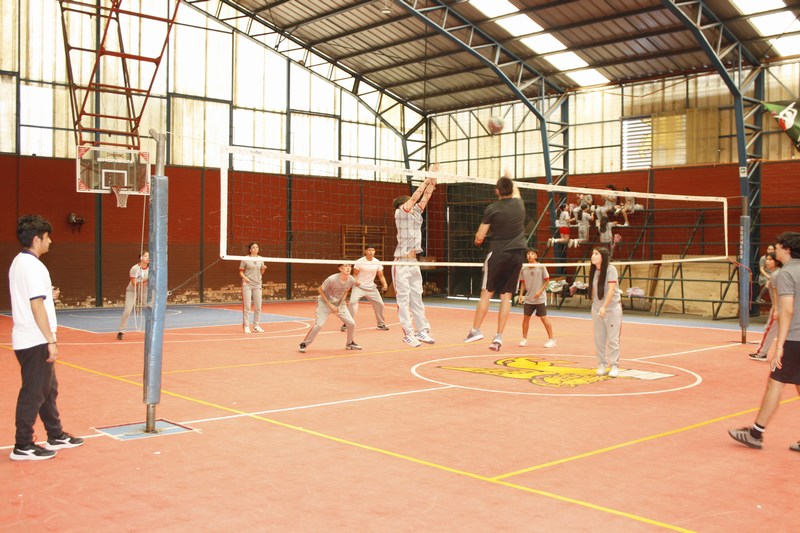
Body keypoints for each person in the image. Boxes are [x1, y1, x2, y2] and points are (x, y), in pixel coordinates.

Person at [9, 215, 84, 461]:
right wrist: (50, 339)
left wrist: (47, 295)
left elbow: (33, 297)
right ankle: (23, 445)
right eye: (47, 237)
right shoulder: (32, 266)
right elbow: (35, 305)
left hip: (30, 337)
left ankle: (55, 434)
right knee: (33, 392)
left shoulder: (20, 263)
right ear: (36, 238)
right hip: (34, 339)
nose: (50, 241)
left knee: (47, 390)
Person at [729, 232, 800, 451]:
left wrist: (779, 345)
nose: (774, 250)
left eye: (777, 247)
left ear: (787, 249)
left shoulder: (785, 273)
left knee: (775, 382)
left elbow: (787, 310)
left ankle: (755, 434)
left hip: (795, 337)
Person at [464, 170, 527, 351]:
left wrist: (478, 239)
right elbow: (515, 190)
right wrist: (509, 177)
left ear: (497, 191)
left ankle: (475, 330)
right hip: (517, 255)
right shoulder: (520, 203)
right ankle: (498, 337)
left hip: (498, 253)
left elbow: (480, 236)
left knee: (487, 293)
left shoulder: (492, 208)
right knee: (506, 297)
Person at [392, 163, 439, 348]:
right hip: (401, 262)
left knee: (417, 298)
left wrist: (434, 179)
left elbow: (426, 196)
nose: (412, 205)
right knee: (403, 300)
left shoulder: (415, 214)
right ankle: (408, 333)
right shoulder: (400, 213)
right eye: (409, 203)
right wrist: (427, 178)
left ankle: (422, 331)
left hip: (413, 263)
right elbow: (416, 196)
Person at [299, 263, 360, 353]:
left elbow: (346, 291)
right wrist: (330, 305)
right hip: (324, 303)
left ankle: (349, 343)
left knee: (351, 323)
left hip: (339, 303)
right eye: (346, 266)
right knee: (319, 325)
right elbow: (320, 290)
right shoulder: (331, 279)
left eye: (350, 266)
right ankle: (304, 343)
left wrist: (339, 305)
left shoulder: (351, 279)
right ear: (340, 268)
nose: (348, 268)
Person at [589, 246, 622, 377]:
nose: (592, 256)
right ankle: (601, 363)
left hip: (611, 309)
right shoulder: (593, 271)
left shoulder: (610, 269)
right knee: (599, 338)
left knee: (613, 339)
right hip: (596, 308)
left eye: (596, 254)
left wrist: (604, 307)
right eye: (592, 253)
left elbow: (611, 289)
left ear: (603, 256)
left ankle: (614, 365)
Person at [340, 245, 390, 332]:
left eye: (373, 250)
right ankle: (347, 323)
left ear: (374, 252)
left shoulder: (377, 262)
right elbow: (355, 274)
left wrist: (385, 284)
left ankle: (381, 324)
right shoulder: (360, 261)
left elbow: (381, 275)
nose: (371, 252)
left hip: (371, 288)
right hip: (359, 287)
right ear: (365, 251)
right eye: (369, 250)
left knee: (380, 304)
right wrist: (356, 281)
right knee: (352, 303)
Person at [517, 249, 556, 348]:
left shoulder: (541, 267)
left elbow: (547, 281)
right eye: (528, 254)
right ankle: (524, 339)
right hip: (529, 298)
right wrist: (521, 295)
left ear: (536, 256)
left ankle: (552, 339)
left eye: (532, 254)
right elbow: (522, 282)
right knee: (526, 318)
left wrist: (540, 291)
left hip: (540, 298)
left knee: (543, 318)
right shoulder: (524, 268)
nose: (530, 255)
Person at [749, 252, 783, 361]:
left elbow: (778, 293)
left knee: (769, 330)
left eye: (770, 259)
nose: (767, 261)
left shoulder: (775, 275)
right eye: (766, 259)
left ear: (776, 261)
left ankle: (761, 353)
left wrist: (776, 309)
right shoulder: (779, 273)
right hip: (786, 307)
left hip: (779, 307)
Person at [117, 251, 150, 340]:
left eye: (149, 256)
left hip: (144, 291)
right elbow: (134, 283)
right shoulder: (135, 268)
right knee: (128, 310)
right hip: (132, 291)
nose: (148, 258)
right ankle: (121, 331)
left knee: (149, 308)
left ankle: (151, 330)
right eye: (146, 256)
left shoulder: (150, 270)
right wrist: (143, 282)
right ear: (141, 258)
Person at [240, 242, 267, 334]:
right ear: (250, 250)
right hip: (247, 284)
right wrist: (245, 278)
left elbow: (261, 272)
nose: (255, 249)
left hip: (257, 284)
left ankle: (256, 325)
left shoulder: (261, 259)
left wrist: (263, 269)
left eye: (257, 247)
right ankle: (246, 326)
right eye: (253, 247)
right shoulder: (245, 259)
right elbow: (241, 272)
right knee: (247, 306)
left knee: (258, 307)